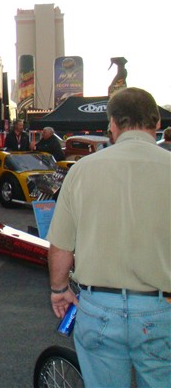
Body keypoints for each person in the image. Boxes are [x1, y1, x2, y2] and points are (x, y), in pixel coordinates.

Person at [47, 87, 171, 387]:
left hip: (98, 307)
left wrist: (59, 289)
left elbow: (61, 245)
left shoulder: (82, 170)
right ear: (156, 123)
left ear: (113, 125)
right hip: (159, 309)